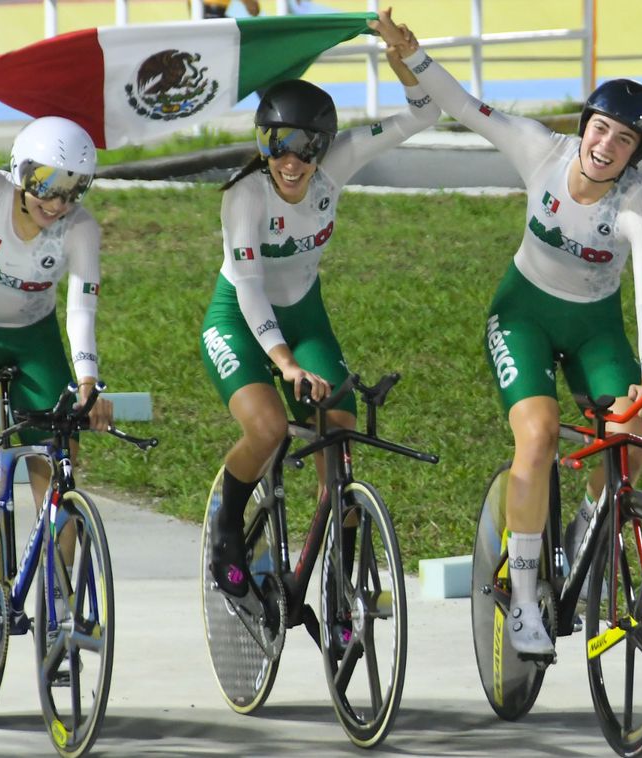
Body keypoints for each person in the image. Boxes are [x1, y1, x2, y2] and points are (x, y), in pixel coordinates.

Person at [372, 10, 642, 655]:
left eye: (623, 140)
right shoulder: (543, 149)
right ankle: (526, 594)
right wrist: (414, 55)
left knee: (630, 439)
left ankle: (588, 537)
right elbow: (467, 108)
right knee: (535, 436)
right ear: (584, 125)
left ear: (635, 154)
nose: (605, 146)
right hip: (523, 314)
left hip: (597, 328)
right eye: (599, 129)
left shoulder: (636, 203)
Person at [201, 54, 441, 598]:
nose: (291, 159)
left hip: (306, 318)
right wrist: (283, 362)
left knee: (338, 432)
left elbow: (424, 112)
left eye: (308, 146)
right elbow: (249, 287)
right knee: (267, 430)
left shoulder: (339, 164)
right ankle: (225, 527)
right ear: (262, 142)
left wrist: (405, 61)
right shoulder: (245, 195)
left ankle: (340, 579)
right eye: (277, 143)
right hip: (239, 318)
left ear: (325, 148)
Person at [0, 55, 112, 569]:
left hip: (33, 337)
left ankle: (60, 594)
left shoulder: (81, 230)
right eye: (47, 183)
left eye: (73, 187)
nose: (57, 201)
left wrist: (88, 379)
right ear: (20, 172)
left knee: (60, 465)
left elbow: (82, 309)